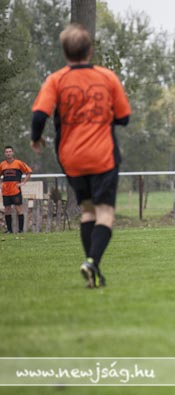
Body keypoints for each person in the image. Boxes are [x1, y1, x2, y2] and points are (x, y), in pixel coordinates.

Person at [30, 24, 131, 288]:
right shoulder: (106, 77)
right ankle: (92, 262)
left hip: (71, 158)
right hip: (102, 156)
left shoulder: (56, 80)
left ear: (65, 52)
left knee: (87, 211)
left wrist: (35, 138)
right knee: (105, 213)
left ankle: (93, 272)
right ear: (90, 50)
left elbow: (39, 115)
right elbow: (124, 117)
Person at [1, 146, 32, 233]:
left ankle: (20, 230)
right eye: (7, 152)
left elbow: (29, 172)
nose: (8, 153)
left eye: (10, 151)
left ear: (13, 153)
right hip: (6, 191)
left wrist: (23, 182)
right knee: (7, 210)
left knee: (19, 209)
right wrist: (1, 184)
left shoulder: (18, 163)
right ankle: (9, 230)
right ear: (5, 153)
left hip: (15, 191)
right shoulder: (2, 164)